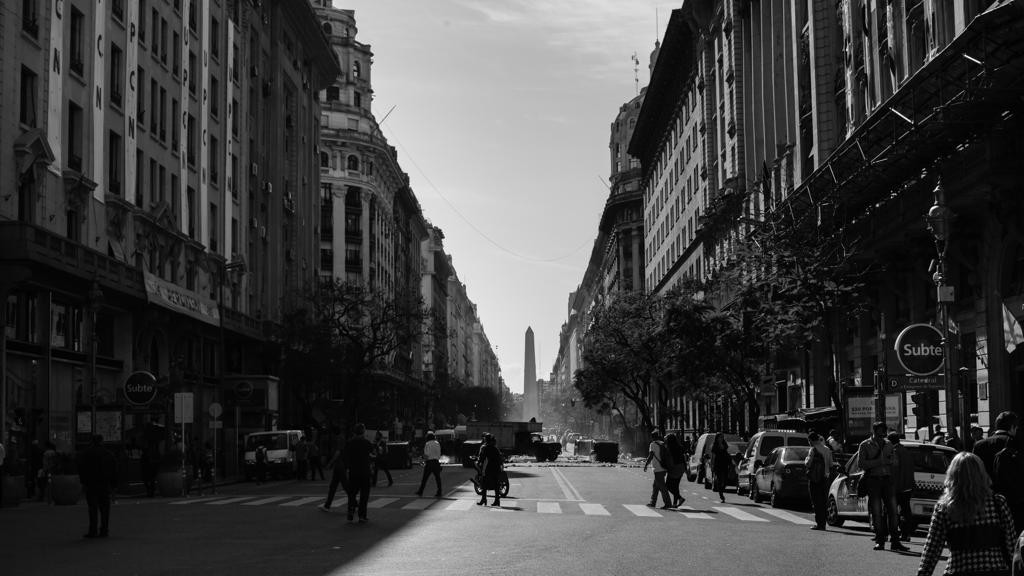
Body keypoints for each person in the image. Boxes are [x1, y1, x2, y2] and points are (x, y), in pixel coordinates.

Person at [916, 452, 1017, 576]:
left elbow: (932, 548)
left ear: (952, 475)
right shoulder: (998, 503)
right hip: (996, 569)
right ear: (982, 474)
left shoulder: (944, 508)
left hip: (959, 569)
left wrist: (923, 572)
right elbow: (1011, 544)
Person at [859, 421, 908, 551]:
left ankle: (895, 541)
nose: (882, 436)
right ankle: (880, 541)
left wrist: (892, 461)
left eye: (884, 433)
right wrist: (879, 462)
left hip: (887, 480)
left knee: (893, 512)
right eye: (880, 433)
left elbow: (895, 462)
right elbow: (861, 464)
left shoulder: (888, 444)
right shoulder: (865, 445)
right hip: (873, 481)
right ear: (874, 432)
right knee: (877, 512)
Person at [77, 435, 117, 539]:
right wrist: (113, 485)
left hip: (91, 484)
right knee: (105, 508)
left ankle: (93, 530)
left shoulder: (86, 454)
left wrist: (84, 482)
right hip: (104, 484)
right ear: (102, 441)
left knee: (92, 508)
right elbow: (114, 470)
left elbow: (82, 469)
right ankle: (104, 530)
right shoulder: (108, 454)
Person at [974, 411, 1018, 478]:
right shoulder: (1015, 443)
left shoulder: (979, 445)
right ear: (1012, 427)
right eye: (1016, 429)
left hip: (986, 486)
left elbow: (974, 470)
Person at [344, 424, 374, 523]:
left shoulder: (350, 443)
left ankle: (351, 512)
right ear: (363, 431)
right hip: (365, 471)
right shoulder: (366, 442)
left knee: (352, 494)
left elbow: (346, 456)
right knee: (364, 494)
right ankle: (362, 515)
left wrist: (348, 467)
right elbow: (373, 453)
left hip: (353, 471)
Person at [994, 432, 1024, 531]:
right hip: (1018, 499)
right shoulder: (1018, 456)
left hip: (1003, 495)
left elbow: (997, 475)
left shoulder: (999, 456)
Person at [889, 432, 915, 542]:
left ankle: (894, 534)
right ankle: (906, 533)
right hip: (907, 486)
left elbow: (894, 470)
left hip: (897, 487)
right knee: (906, 511)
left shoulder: (894, 452)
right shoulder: (906, 451)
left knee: (893, 511)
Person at [805, 432, 834, 531]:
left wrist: (805, 460)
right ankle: (824, 522)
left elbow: (808, 464)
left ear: (812, 440)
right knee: (823, 501)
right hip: (825, 478)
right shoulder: (827, 449)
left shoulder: (813, 450)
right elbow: (831, 464)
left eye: (809, 441)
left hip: (815, 478)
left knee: (816, 502)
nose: (809, 443)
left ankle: (819, 524)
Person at [642, 429, 673, 509]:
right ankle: (653, 502)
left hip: (658, 468)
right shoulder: (662, 443)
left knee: (662, 487)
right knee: (655, 486)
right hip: (664, 467)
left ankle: (668, 503)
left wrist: (646, 464)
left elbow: (651, 455)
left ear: (652, 437)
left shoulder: (652, 444)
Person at [319, 435, 347, 513]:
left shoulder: (339, 440)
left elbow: (337, 453)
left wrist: (330, 463)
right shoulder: (341, 439)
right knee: (334, 486)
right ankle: (327, 505)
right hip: (339, 466)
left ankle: (354, 503)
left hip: (339, 466)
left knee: (341, 486)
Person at [477, 435, 504, 507]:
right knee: (496, 484)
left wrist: (479, 463)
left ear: (486, 440)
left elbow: (482, 458)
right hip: (497, 467)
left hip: (490, 467)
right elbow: (500, 458)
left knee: (484, 483)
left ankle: (484, 499)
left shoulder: (485, 447)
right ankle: (497, 500)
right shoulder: (495, 448)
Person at [416, 432, 442, 498]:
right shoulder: (437, 443)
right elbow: (439, 454)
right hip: (436, 462)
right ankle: (439, 491)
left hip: (429, 463)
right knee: (438, 478)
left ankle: (420, 491)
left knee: (425, 478)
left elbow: (426, 455)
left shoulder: (427, 444)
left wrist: (422, 459)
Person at [664, 433, 687, 508]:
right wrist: (686, 470)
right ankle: (674, 503)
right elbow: (684, 459)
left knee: (668, 485)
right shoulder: (680, 447)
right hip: (681, 467)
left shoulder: (669, 448)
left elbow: (668, 459)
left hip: (674, 468)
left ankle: (680, 498)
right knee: (676, 486)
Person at [710, 433, 732, 504]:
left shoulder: (724, 444)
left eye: (722, 437)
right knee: (719, 479)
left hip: (724, 463)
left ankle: (722, 489)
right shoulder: (715, 445)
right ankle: (721, 494)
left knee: (725, 479)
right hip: (718, 464)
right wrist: (712, 465)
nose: (721, 439)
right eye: (720, 437)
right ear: (717, 438)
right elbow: (713, 456)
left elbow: (725, 451)